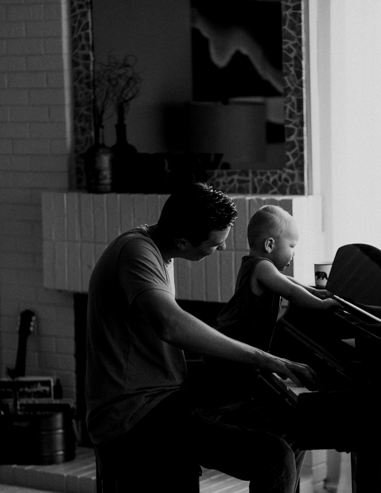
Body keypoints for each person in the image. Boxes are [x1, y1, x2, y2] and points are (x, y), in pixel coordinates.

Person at [85, 183, 318, 493]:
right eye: (214, 244)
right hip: (133, 413)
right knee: (275, 457)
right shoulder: (136, 253)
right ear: (182, 241)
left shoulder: (156, 249)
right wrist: (264, 358)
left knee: (292, 426)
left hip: (164, 393)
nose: (221, 249)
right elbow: (169, 323)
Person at [200, 205, 341, 480]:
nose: (293, 253)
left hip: (231, 348)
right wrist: (323, 306)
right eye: (292, 246)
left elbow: (293, 283)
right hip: (230, 352)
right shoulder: (263, 267)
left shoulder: (255, 265)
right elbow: (290, 290)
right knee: (250, 400)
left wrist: (317, 291)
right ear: (270, 244)